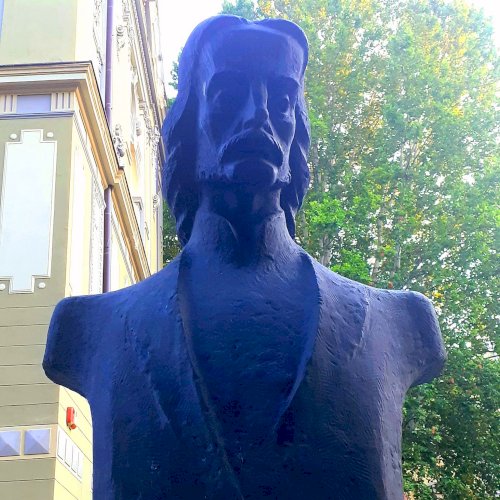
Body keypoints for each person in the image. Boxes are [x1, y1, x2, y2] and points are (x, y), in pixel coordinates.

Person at [44, 15, 446, 499]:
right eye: (229, 94)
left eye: (281, 99)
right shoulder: (91, 327)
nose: (258, 115)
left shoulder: (399, 322)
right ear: (189, 125)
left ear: (297, 129)